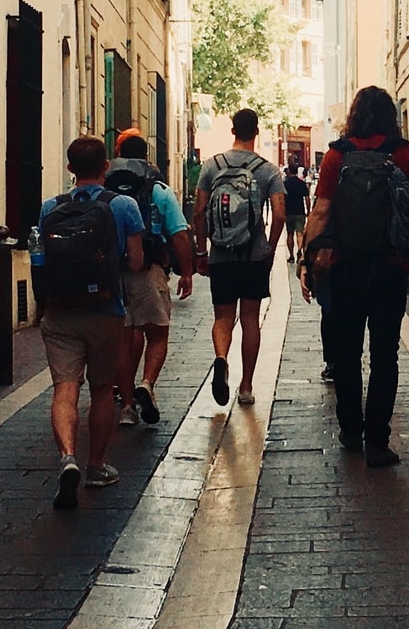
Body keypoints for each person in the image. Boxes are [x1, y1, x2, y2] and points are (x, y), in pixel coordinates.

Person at [301, 86, 409, 467]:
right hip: (390, 266)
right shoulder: (402, 153)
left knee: (346, 352)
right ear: (390, 116)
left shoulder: (337, 155)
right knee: (384, 354)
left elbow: (321, 211)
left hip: (345, 267)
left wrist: (309, 259)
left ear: (355, 116)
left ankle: (349, 430)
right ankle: (377, 439)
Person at [33, 133, 145, 510]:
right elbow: (136, 261)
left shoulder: (51, 207)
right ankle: (96, 465)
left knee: (65, 388)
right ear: (105, 168)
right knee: (101, 390)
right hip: (105, 311)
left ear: (69, 169)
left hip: (60, 311)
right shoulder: (124, 205)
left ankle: (67, 456)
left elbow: (41, 259)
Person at [193, 107, 284, 409]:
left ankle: (221, 358)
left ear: (232, 131)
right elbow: (280, 214)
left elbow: (198, 212)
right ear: (256, 132)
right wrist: (269, 248)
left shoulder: (211, 166)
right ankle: (246, 386)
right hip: (253, 254)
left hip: (221, 254)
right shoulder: (268, 170)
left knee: (223, 317)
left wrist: (201, 251)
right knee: (250, 319)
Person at [105, 126, 195, 427]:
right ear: (146, 157)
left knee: (123, 339)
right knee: (157, 333)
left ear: (118, 155)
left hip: (111, 273)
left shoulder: (104, 187)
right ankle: (147, 382)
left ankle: (128, 406)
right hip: (148, 269)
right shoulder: (157, 189)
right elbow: (180, 234)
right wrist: (187, 272)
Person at [283, 160, 309, 264]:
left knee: (289, 234)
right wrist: (309, 210)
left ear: (288, 171)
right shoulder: (301, 183)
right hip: (300, 212)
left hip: (288, 212)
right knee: (300, 234)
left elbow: (281, 198)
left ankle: (291, 256)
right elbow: (307, 198)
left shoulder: (285, 184)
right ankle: (300, 252)